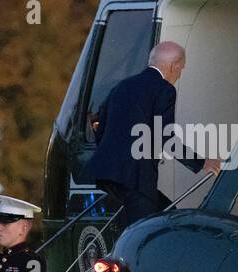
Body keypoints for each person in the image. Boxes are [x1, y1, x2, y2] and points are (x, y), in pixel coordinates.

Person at [82, 40, 222, 225]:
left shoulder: (123, 86)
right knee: (146, 229)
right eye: (181, 69)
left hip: (110, 174)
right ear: (174, 66)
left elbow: (99, 126)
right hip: (136, 177)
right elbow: (166, 137)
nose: (179, 75)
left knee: (169, 215)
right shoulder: (164, 90)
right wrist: (202, 162)